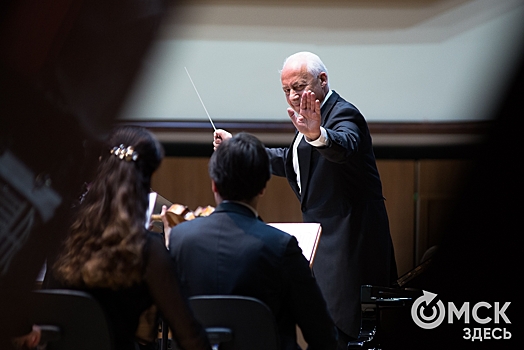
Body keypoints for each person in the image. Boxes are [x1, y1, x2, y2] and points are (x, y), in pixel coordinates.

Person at [213, 51, 398, 347]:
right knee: (325, 331)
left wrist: (318, 135)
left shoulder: (343, 113)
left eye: (299, 87)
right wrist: (238, 147)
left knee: (347, 334)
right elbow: (292, 161)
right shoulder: (310, 119)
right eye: (287, 90)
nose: (293, 96)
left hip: (350, 248)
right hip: (324, 248)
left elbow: (344, 146)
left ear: (322, 80)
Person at [45, 125, 211, 350]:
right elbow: (190, 338)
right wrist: (170, 250)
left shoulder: (60, 233)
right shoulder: (147, 251)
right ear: (147, 178)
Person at [168, 132, 338, 350]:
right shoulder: (282, 247)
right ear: (262, 187)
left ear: (214, 185)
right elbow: (323, 336)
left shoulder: (179, 239)